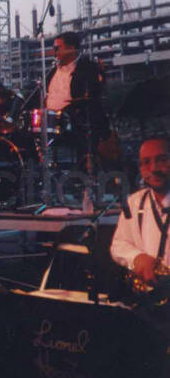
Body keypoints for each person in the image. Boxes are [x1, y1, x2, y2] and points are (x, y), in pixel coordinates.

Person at [111, 136, 170, 290]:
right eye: (146, 162)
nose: (154, 168)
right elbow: (118, 244)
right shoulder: (134, 202)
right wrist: (138, 258)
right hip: (150, 301)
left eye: (162, 160)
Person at [44, 31, 111, 159]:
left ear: (71, 48)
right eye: (54, 48)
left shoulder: (87, 68)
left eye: (58, 48)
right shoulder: (51, 71)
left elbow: (90, 98)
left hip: (75, 123)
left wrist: (65, 112)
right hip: (49, 123)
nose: (55, 52)